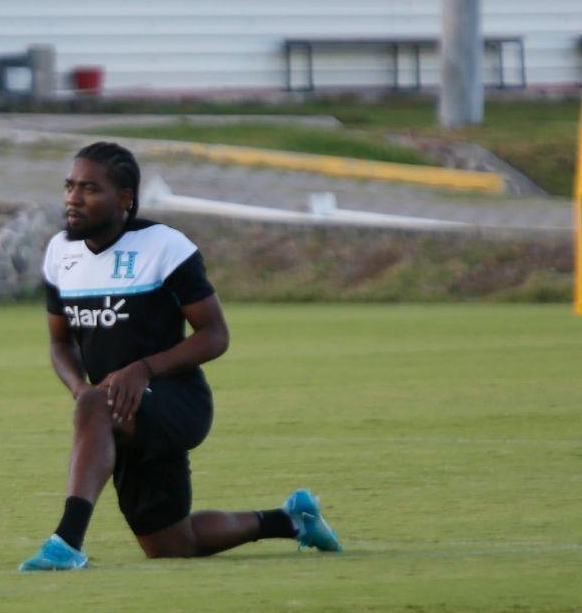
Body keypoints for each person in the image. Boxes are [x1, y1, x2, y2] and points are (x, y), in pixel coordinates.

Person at [20, 142, 342, 570]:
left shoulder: (164, 247)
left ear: (124, 199)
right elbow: (60, 343)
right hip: (115, 414)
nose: (73, 199)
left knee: (98, 402)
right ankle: (292, 521)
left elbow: (215, 334)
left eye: (89, 189)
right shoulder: (61, 252)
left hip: (175, 400)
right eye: (69, 187)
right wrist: (82, 391)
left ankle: (66, 543)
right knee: (172, 545)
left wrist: (144, 369)